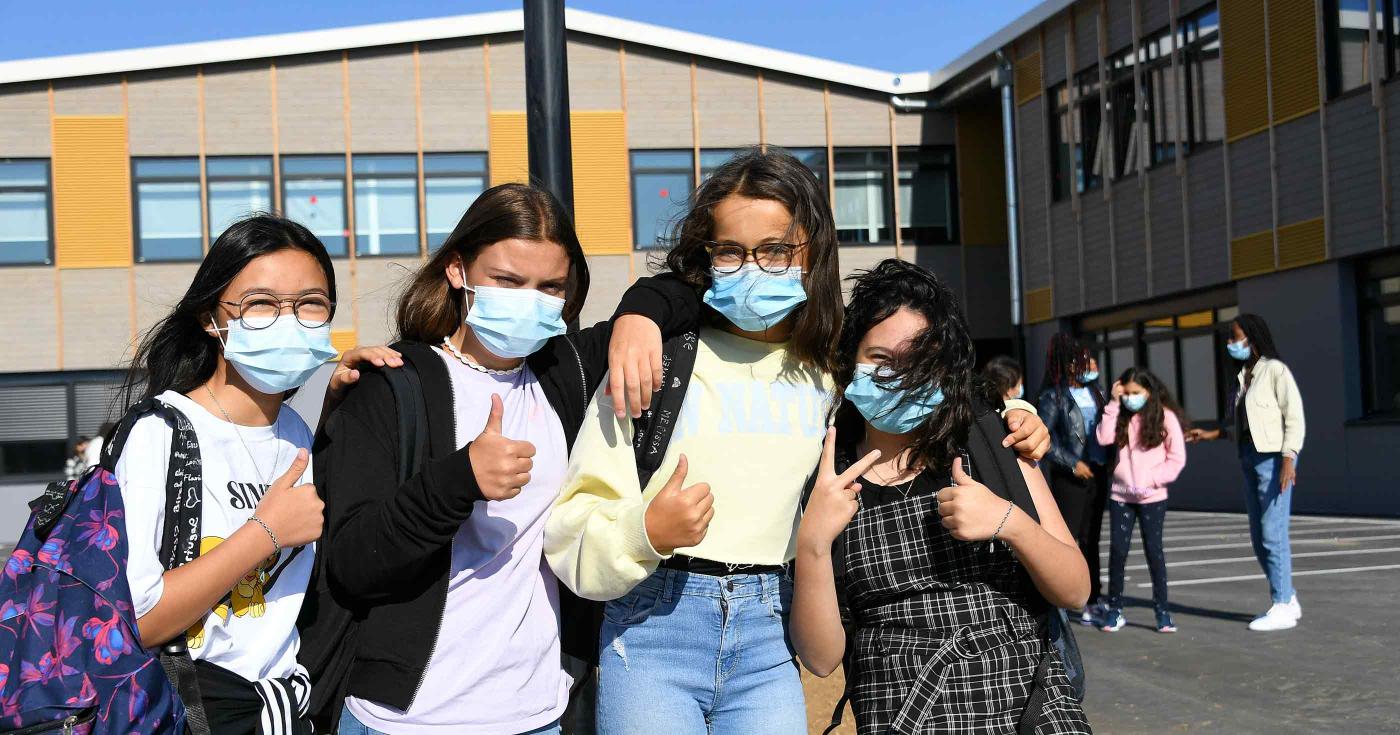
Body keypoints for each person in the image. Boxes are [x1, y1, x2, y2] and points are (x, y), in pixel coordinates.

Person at [544, 149, 1049, 734]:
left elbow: (923, 394)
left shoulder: (836, 368)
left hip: (771, 631)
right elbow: (574, 525)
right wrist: (644, 532)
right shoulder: (653, 358)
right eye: (729, 250)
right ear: (705, 255)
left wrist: (1011, 414)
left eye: (777, 249)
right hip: (653, 623)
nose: (752, 266)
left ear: (813, 251)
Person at [307, 183, 700, 735]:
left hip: (536, 716)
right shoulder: (391, 386)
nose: (530, 300)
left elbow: (694, 291)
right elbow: (351, 565)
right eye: (508, 281)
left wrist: (638, 314)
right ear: (457, 271)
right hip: (404, 720)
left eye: (550, 287)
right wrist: (458, 479)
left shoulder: (569, 370)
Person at [791, 260, 1089, 733]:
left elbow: (1075, 589)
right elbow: (822, 659)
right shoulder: (826, 478)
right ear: (850, 363)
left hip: (1026, 714)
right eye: (880, 359)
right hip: (902, 717)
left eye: (917, 362)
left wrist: (1009, 522)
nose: (897, 376)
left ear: (943, 370)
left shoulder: (995, 443)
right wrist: (813, 544)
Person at [113, 214, 373, 733]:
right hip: (191, 709)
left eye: (310, 305)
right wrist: (266, 533)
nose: (289, 321)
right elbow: (140, 620)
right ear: (213, 317)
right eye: (260, 304)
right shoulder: (160, 433)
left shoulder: (297, 432)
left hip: (284, 708)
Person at [1187, 314, 1305, 632]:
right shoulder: (1243, 377)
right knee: (1258, 537)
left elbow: (1294, 417)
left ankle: (1281, 604)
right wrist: (1208, 434)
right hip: (1249, 458)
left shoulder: (1275, 371)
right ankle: (1288, 597)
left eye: (1235, 337)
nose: (1231, 343)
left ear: (1252, 338)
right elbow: (1239, 425)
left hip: (1273, 461)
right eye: (1229, 337)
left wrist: (1288, 460)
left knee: (1272, 534)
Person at [1095, 368, 1187, 634]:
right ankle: (1114, 611)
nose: (1131, 398)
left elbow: (1177, 457)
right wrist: (1113, 403)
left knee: (1154, 552)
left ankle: (1163, 612)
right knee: (1118, 552)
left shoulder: (1165, 417)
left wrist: (1153, 479)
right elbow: (1103, 438)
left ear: (1149, 392)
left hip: (1152, 497)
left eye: (1137, 393)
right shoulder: (1119, 414)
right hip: (1121, 496)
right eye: (1128, 393)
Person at [1037, 335, 1112, 625]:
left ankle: (1093, 598)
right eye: (1083, 360)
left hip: (1098, 472)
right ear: (1068, 365)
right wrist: (1071, 463)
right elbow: (1045, 438)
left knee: (1092, 538)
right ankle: (1064, 597)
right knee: (1069, 538)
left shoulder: (1098, 393)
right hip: (1072, 477)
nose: (1090, 365)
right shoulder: (1054, 396)